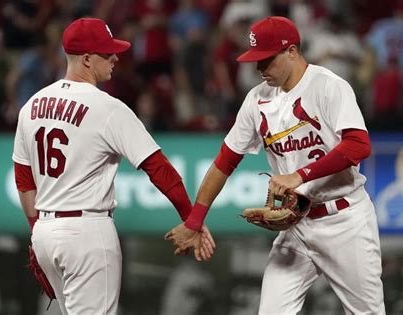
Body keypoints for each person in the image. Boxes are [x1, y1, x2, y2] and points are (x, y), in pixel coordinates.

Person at [165, 16, 385, 314]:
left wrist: (300, 175)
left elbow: (359, 144)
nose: (259, 68)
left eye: (267, 60)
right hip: (295, 225)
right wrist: (195, 220)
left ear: (291, 51)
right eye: (256, 60)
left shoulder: (328, 86)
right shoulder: (257, 100)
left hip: (344, 220)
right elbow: (224, 163)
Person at [12, 17, 214, 314]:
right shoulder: (107, 107)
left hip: (44, 233)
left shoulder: (32, 105)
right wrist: (190, 217)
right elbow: (159, 168)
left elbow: (24, 179)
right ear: (87, 59)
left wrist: (36, 230)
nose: (116, 57)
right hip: (87, 232)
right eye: (107, 53)